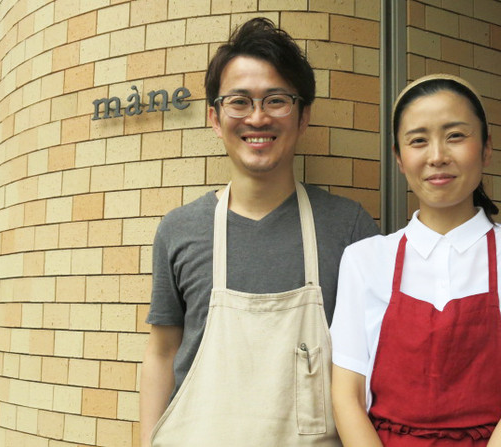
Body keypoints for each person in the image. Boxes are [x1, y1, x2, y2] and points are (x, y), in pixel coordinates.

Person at [139, 17, 379, 447]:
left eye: (276, 100)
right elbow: (161, 353)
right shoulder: (179, 230)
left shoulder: (349, 227)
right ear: (214, 118)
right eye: (239, 102)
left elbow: (373, 362)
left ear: (304, 116)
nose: (257, 117)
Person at [330, 74, 501, 446]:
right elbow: (346, 396)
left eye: (455, 136)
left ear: (486, 148)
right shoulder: (364, 260)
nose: (437, 156)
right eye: (418, 141)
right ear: (399, 158)